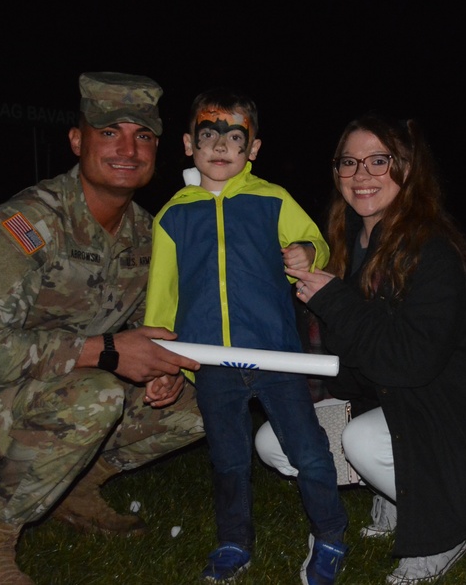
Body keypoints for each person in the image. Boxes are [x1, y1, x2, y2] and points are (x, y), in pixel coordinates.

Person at [0, 72, 207, 585]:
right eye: (110, 132)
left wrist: (162, 368)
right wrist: (108, 352)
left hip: (59, 395)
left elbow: (142, 327)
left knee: (207, 395)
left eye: (144, 135)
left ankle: (77, 489)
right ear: (76, 140)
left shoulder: (149, 236)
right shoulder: (25, 225)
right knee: (96, 394)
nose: (128, 149)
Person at [256, 113, 466, 584]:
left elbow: (407, 362)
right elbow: (346, 353)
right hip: (394, 403)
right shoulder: (347, 241)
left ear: (409, 169)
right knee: (275, 441)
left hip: (454, 419)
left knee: (362, 441)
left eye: (380, 161)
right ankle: (396, 493)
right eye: (349, 162)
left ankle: (447, 526)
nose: (361, 175)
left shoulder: (431, 250)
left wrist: (334, 298)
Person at [143, 89, 348, 585]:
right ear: (189, 144)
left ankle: (331, 535)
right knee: (228, 459)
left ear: (252, 149)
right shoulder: (172, 215)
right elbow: (160, 297)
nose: (220, 146)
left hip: (276, 355)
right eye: (208, 135)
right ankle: (234, 541)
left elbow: (316, 243)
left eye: (234, 137)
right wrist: (163, 360)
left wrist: (304, 250)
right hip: (210, 362)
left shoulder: (272, 199)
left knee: (309, 451)